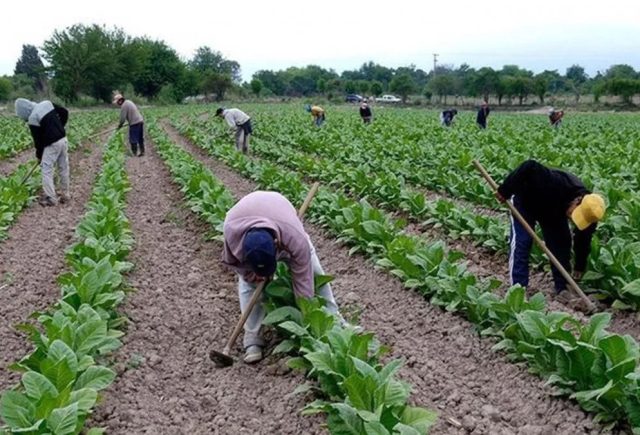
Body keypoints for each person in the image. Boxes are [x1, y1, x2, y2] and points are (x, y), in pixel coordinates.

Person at [222, 191, 342, 363]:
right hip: (244, 218)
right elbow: (234, 263)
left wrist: (306, 316)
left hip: (281, 214)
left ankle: (335, 321)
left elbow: (303, 279)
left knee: (315, 272)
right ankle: (252, 338)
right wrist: (250, 275)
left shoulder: (293, 236)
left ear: (277, 245)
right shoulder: (231, 233)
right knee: (248, 285)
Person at [495, 160, 606, 298]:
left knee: (561, 244)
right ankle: (518, 290)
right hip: (525, 201)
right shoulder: (553, 182)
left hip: (553, 210)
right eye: (574, 214)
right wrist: (505, 189)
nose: (573, 219)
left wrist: (579, 266)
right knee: (522, 242)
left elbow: (583, 241)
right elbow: (529, 166)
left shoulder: (591, 213)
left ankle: (562, 287)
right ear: (578, 200)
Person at [14, 98, 70, 207]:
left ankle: (51, 199)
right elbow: (64, 112)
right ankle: (65, 194)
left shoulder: (32, 118)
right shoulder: (47, 103)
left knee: (46, 170)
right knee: (63, 167)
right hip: (63, 139)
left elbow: (38, 142)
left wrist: (39, 156)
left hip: (52, 144)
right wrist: (60, 127)